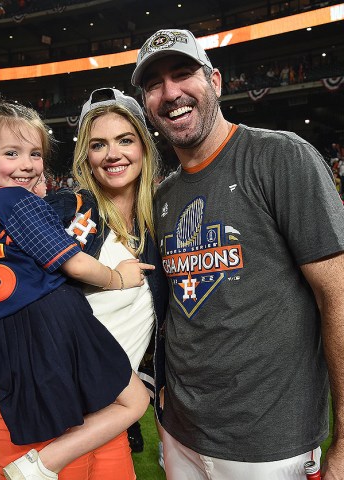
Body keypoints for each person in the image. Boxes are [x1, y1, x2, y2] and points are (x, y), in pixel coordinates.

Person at [131, 28, 344, 480]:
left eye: (183, 73)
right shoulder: (162, 196)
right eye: (153, 84)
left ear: (216, 81)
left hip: (270, 444)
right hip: (180, 434)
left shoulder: (281, 157)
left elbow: (338, 298)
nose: (170, 93)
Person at [0, 90, 168, 480]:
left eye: (125, 140)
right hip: (40, 414)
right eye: (98, 144)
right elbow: (3, 298)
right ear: (86, 157)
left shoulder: (162, 224)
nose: (113, 154)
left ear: (145, 147)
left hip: (106, 420)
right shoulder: (62, 209)